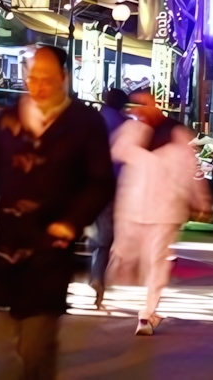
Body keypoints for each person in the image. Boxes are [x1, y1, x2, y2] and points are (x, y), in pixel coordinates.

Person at [0, 46, 112, 376]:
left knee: (35, 341)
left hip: (51, 247)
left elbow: (100, 182)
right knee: (17, 338)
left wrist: (71, 222)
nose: (38, 87)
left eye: (47, 80)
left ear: (64, 79)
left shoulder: (84, 122)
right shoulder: (9, 119)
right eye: (33, 78)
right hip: (10, 245)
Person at [110, 88, 211, 336]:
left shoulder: (175, 133)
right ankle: (143, 310)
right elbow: (116, 153)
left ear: (155, 104)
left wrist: (201, 201)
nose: (140, 110)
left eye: (144, 104)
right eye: (136, 107)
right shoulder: (134, 132)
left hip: (163, 210)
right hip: (136, 208)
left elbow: (190, 171)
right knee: (130, 257)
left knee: (155, 262)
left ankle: (146, 314)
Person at [90, 88, 130, 308]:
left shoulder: (93, 119)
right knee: (106, 235)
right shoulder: (124, 124)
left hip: (88, 182)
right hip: (112, 185)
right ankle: (98, 276)